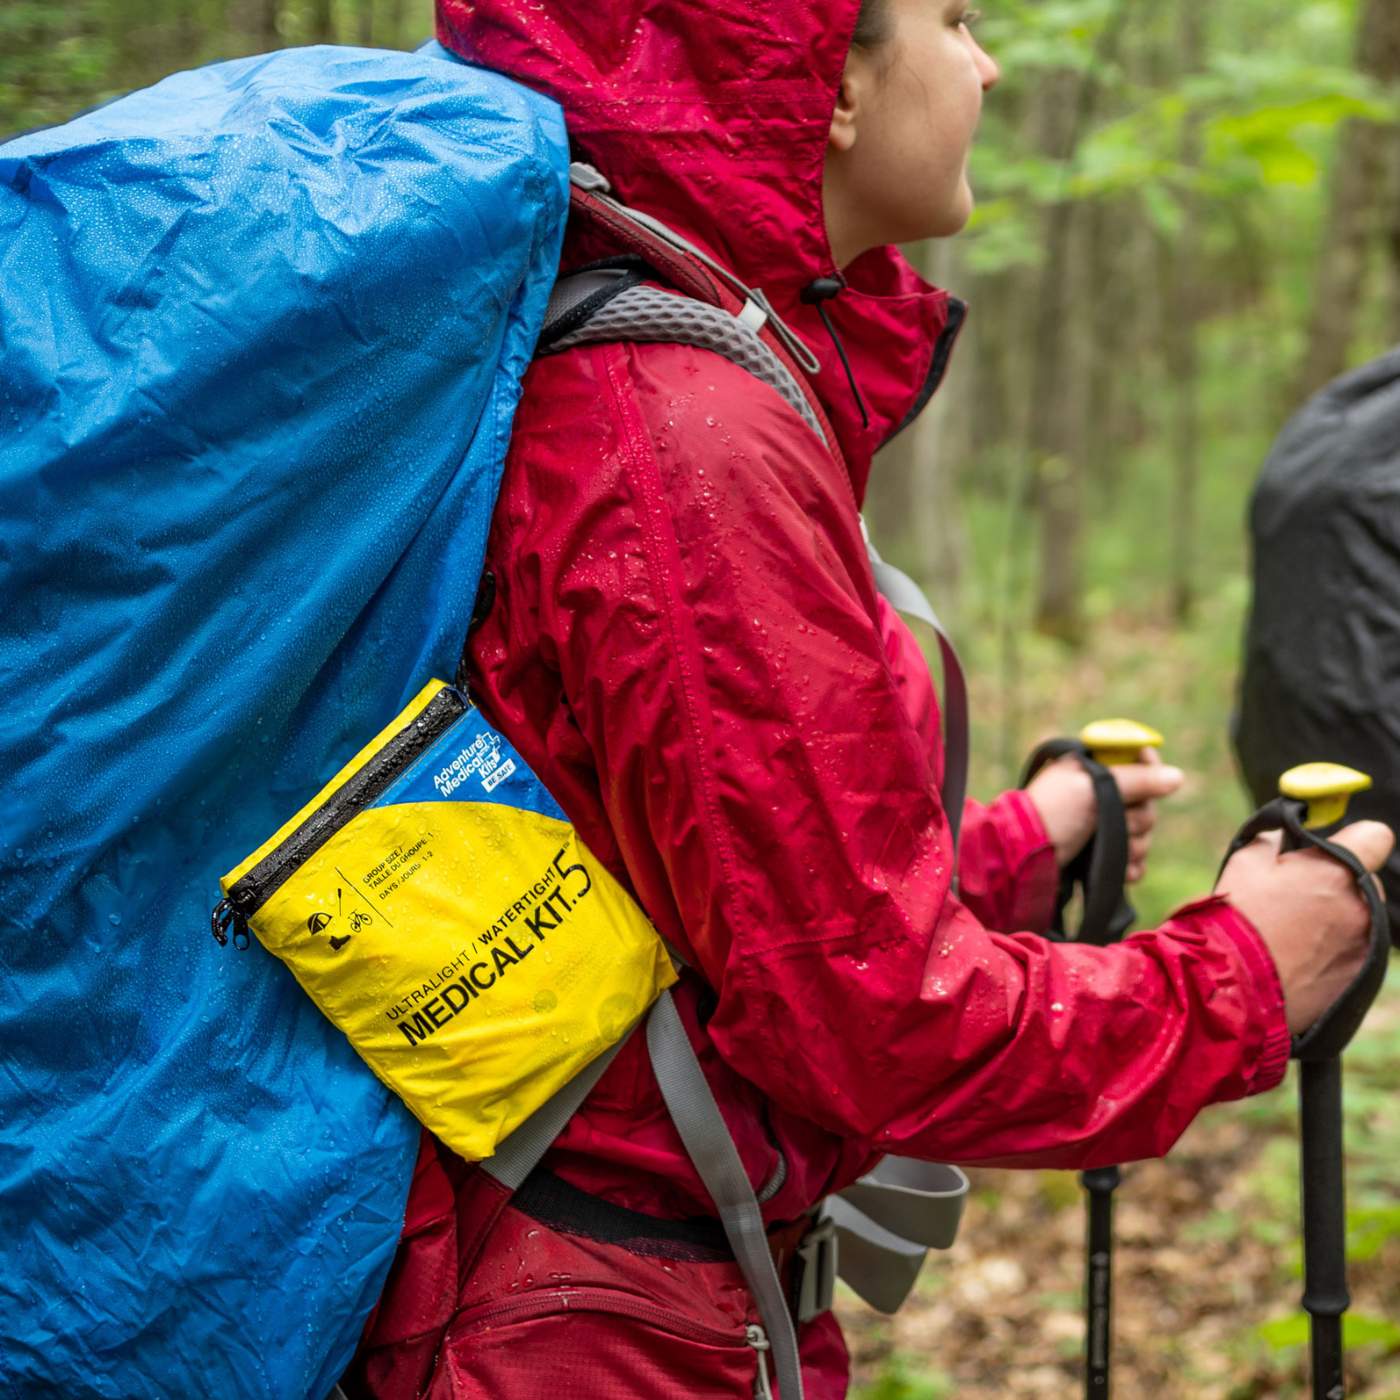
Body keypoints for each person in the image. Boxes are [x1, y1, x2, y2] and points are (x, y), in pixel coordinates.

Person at [345, 1, 1393, 1394]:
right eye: (957, 20)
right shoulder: (684, 435)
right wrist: (1241, 974)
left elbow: (707, 899)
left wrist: (1024, 843)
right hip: (600, 1335)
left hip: (621, 1282)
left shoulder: (684, 375)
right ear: (828, 78)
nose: (989, 63)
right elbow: (870, 1027)